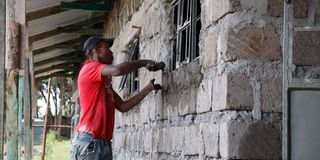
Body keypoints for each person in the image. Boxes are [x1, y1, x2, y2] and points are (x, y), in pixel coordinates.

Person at [71, 36, 164, 160]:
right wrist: (143, 62)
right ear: (96, 51)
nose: (111, 52)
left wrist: (148, 88)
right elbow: (117, 70)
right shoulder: (89, 68)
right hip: (89, 142)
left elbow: (122, 106)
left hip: (102, 143)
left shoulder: (103, 84)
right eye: (107, 48)